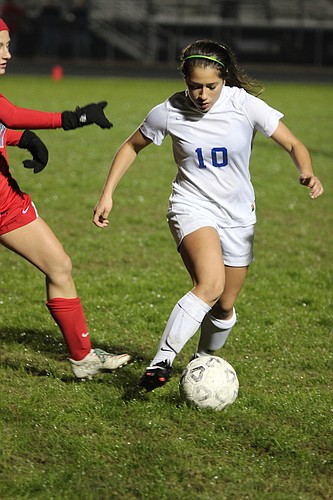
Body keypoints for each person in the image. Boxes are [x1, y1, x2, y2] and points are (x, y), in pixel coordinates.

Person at [93, 39, 324, 391]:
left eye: (210, 86)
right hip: (191, 206)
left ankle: (200, 364)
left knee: (224, 306)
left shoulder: (244, 105)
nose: (202, 94)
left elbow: (294, 143)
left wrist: (305, 171)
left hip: (238, 215)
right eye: (194, 86)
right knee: (210, 285)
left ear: (225, 79)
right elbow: (131, 145)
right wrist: (107, 193)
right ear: (185, 81)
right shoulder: (169, 110)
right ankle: (162, 361)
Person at [0, 18, 131, 379]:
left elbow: (4, 125)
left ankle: (82, 358)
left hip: (6, 206)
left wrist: (24, 139)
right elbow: (8, 115)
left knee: (59, 266)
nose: (7, 54)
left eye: (8, 45)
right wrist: (73, 118)